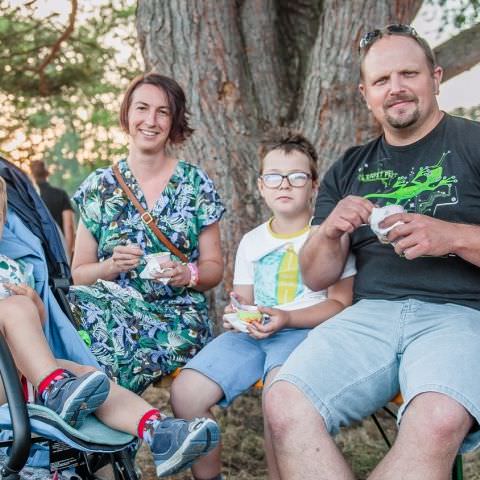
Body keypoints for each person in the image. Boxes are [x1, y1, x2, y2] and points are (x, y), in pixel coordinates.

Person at [264, 24, 480, 480]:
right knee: (283, 401)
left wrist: (454, 238)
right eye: (382, 81)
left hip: (462, 314)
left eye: (408, 74)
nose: (395, 88)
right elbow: (316, 277)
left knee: (437, 418)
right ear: (366, 94)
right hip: (369, 316)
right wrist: (329, 234)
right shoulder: (349, 166)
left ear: (436, 78)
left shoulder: (473, 143)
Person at [0, 175, 220, 478]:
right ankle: (54, 388)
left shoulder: (13, 268)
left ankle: (160, 432)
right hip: (5, 381)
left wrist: (35, 307)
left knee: (91, 376)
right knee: (13, 309)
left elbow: (34, 329)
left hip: (27, 373)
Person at [170, 131, 355, 480]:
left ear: (313, 185)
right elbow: (245, 301)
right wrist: (238, 315)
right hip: (257, 335)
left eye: (297, 176)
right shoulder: (252, 241)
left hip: (307, 333)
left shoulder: (331, 235)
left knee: (279, 403)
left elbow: (340, 304)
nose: (284, 184)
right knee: (185, 393)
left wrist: (287, 317)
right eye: (274, 176)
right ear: (261, 186)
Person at [68, 73, 225, 394]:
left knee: (105, 367)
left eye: (163, 112)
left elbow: (214, 269)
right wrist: (110, 267)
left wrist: (187, 274)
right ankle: (120, 434)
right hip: (114, 315)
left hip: (177, 319)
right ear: (127, 114)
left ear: (174, 120)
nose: (150, 120)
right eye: (142, 108)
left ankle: (134, 421)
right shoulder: (99, 186)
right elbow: (78, 275)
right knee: (84, 338)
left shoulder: (195, 184)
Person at [30, 160, 76, 260]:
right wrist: (67, 256)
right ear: (47, 174)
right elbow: (69, 226)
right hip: (59, 252)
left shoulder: (29, 197)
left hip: (38, 253)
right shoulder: (60, 194)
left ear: (32, 174)